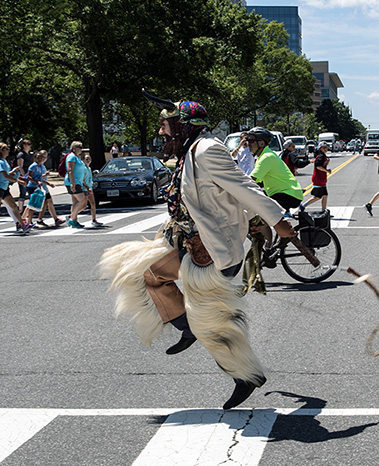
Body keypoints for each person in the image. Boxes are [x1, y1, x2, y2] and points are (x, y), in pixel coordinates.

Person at [100, 92, 296, 410]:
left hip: (213, 252)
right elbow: (205, 200)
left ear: (182, 126)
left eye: (166, 126)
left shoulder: (206, 150)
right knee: (146, 275)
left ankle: (245, 375)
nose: (162, 132)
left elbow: (243, 187)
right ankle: (185, 326)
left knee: (211, 326)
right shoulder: (189, 153)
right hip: (189, 243)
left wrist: (278, 220)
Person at [249, 127, 304, 214]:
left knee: (260, 213)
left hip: (287, 194)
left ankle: (283, 226)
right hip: (284, 193)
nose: (248, 143)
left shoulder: (266, 157)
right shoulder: (262, 156)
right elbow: (258, 181)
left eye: (251, 140)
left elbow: (251, 180)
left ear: (262, 143)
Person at [23, 151, 65, 228]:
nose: (40, 159)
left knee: (45, 203)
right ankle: (28, 221)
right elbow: (28, 177)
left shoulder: (42, 166)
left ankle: (40, 219)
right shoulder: (33, 166)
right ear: (34, 158)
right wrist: (37, 182)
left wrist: (49, 183)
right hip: (33, 187)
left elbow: (41, 178)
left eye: (41, 157)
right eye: (38, 157)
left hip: (41, 187)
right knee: (32, 205)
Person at [299, 142, 331, 211]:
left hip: (322, 179)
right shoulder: (320, 156)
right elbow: (318, 166)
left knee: (325, 195)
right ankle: (303, 205)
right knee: (318, 197)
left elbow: (322, 164)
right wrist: (327, 170)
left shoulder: (323, 156)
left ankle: (324, 210)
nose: (325, 149)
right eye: (324, 148)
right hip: (318, 179)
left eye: (326, 147)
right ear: (320, 148)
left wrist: (327, 162)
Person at [64, 141, 88, 228]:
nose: (81, 149)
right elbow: (70, 170)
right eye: (79, 147)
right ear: (74, 148)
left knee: (76, 203)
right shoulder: (71, 157)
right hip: (73, 182)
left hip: (77, 182)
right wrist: (73, 183)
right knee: (83, 201)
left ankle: (73, 219)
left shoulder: (76, 157)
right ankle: (72, 219)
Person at [83, 153, 102, 227]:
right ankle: (72, 216)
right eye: (86, 159)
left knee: (93, 203)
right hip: (84, 189)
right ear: (83, 160)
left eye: (89, 159)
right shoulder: (83, 169)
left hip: (90, 189)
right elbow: (82, 180)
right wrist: (87, 188)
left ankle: (94, 220)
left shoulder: (89, 168)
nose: (88, 160)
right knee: (83, 205)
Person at [15, 140, 34, 211]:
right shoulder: (21, 154)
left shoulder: (28, 154)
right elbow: (20, 166)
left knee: (30, 193)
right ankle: (20, 209)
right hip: (24, 177)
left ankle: (30, 210)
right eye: (28, 144)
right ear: (24, 145)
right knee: (23, 193)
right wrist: (24, 177)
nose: (30, 146)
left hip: (29, 176)